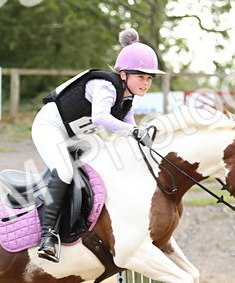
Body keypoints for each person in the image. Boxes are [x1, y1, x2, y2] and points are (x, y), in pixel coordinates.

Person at [30, 28, 160, 262]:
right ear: (123, 74)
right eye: (141, 76)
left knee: (108, 163)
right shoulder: (106, 86)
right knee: (66, 171)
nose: (146, 82)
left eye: (149, 78)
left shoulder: (127, 100)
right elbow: (101, 118)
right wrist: (133, 131)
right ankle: (47, 235)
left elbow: (126, 131)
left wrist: (148, 147)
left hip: (77, 135)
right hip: (50, 127)